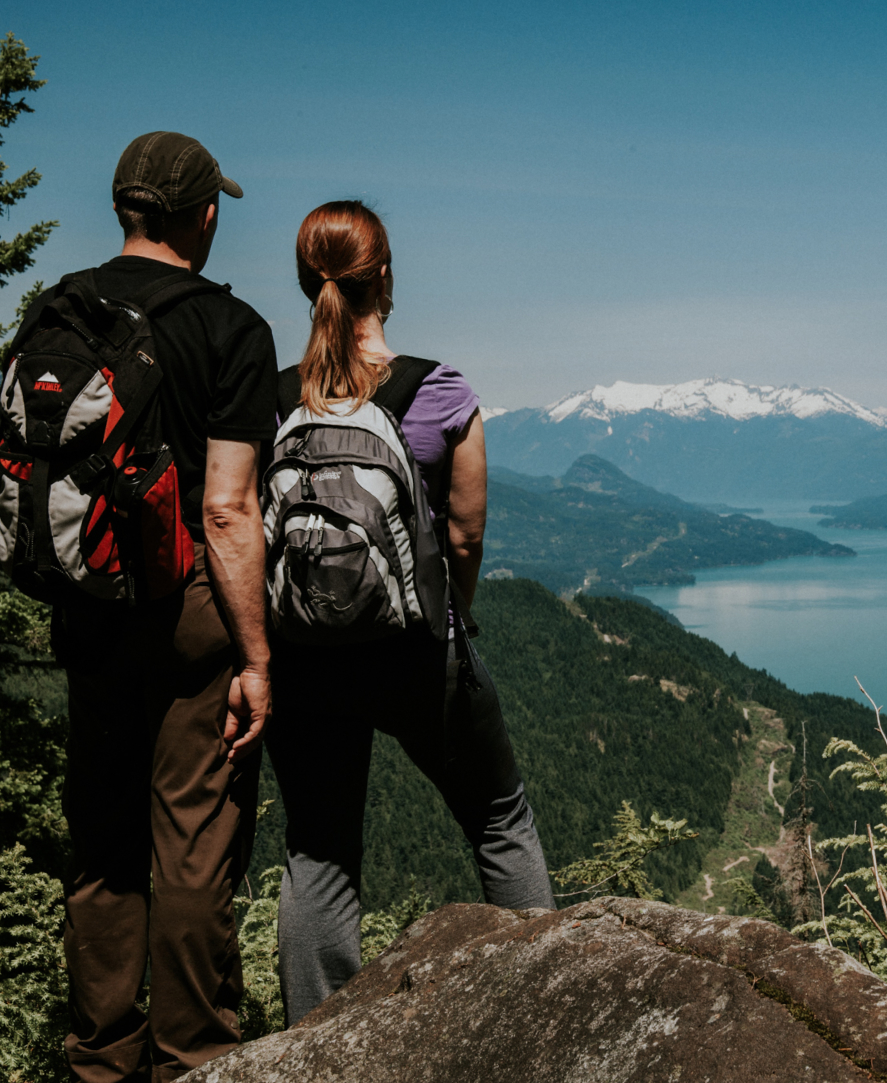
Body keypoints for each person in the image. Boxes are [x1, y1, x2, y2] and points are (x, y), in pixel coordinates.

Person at [25, 132, 277, 1082]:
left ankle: (98, 1055)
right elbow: (226, 507)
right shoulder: (230, 328)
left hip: (87, 597)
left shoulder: (57, 308)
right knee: (193, 838)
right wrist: (255, 656)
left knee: (102, 835)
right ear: (202, 214)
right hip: (186, 610)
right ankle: (192, 1058)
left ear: (127, 208)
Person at [266, 200, 555, 1027]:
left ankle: (314, 1049)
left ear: (303, 283)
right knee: (499, 818)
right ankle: (544, 1003)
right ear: (384, 276)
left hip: (304, 657)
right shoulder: (438, 389)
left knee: (318, 851)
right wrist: (448, 623)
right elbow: (463, 536)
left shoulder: (274, 399)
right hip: (418, 655)